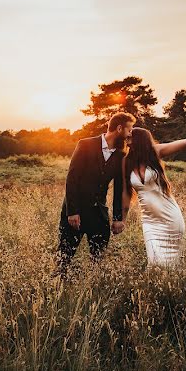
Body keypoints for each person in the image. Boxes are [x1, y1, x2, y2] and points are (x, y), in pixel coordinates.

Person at [121, 126, 186, 268]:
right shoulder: (126, 162)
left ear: (139, 140)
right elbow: (126, 193)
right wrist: (122, 220)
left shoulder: (155, 152)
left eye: (129, 138)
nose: (126, 142)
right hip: (149, 221)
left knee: (173, 267)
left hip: (170, 218)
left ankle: (171, 289)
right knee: (154, 264)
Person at [55, 112, 135, 277]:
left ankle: (92, 289)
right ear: (119, 128)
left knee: (98, 260)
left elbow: (119, 188)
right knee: (64, 257)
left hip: (99, 215)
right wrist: (72, 212)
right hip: (75, 213)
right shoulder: (85, 144)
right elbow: (72, 179)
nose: (130, 134)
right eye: (129, 130)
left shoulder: (121, 156)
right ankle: (57, 289)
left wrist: (118, 218)